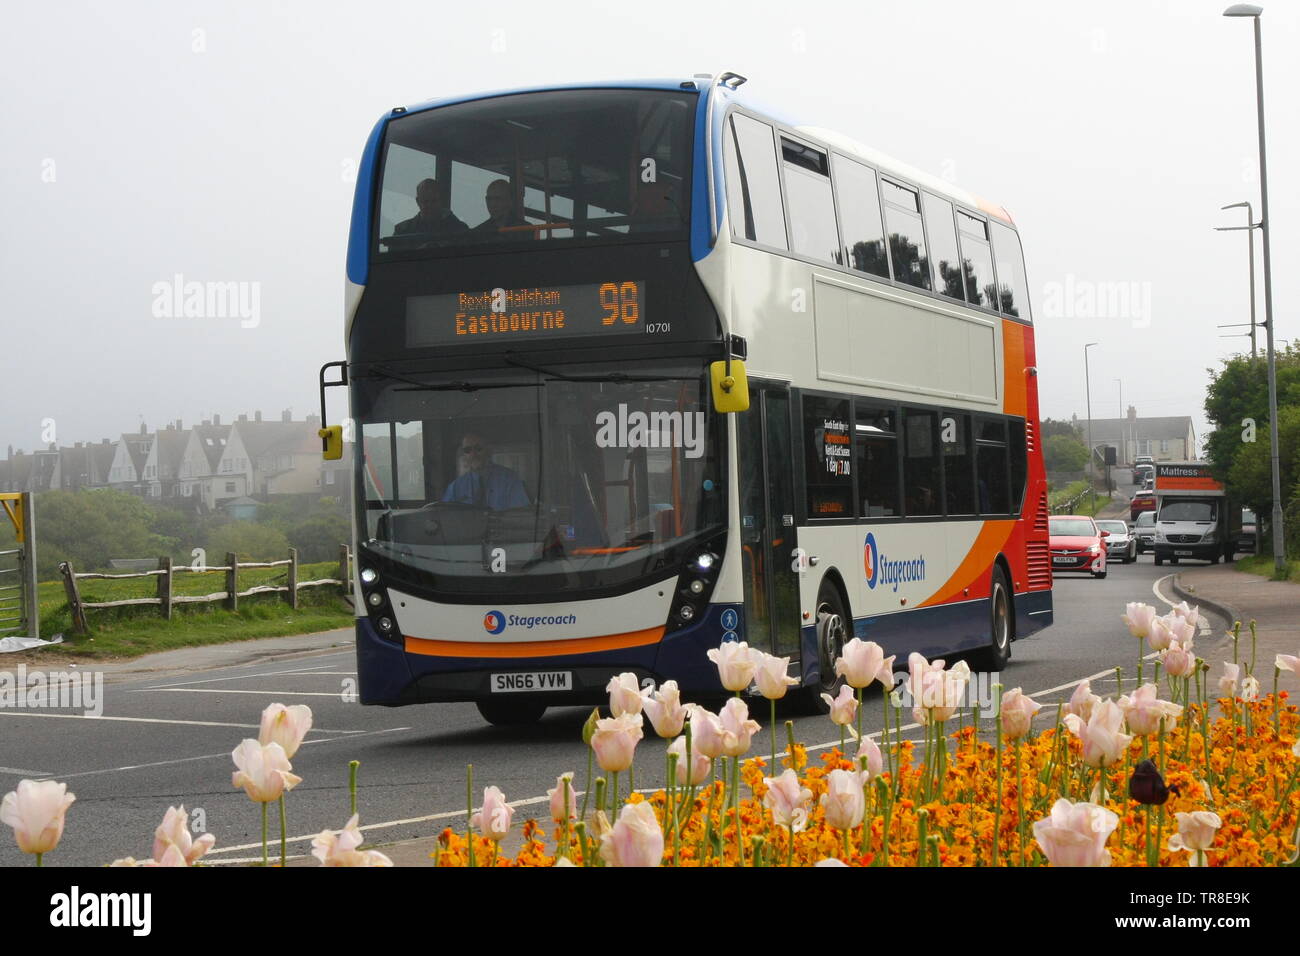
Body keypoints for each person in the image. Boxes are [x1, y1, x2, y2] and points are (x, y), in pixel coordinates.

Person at [441, 432, 529, 510]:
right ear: (464, 454)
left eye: (478, 448)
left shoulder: (510, 479)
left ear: (488, 450)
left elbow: (519, 514)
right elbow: (446, 516)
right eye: (467, 450)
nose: (473, 454)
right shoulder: (455, 487)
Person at [393, 178, 468, 239]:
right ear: (418, 201)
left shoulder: (460, 229)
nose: (429, 205)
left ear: (441, 200)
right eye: (425, 201)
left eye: (434, 201)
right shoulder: (401, 231)